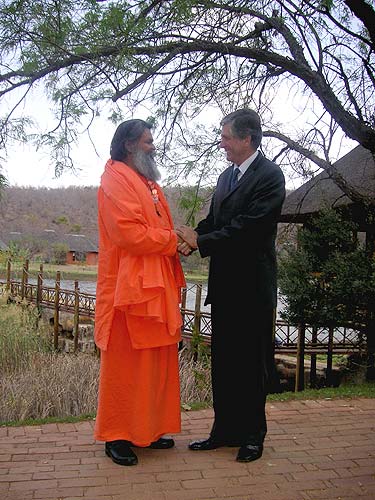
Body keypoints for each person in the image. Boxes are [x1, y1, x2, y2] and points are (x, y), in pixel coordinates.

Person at [176, 108, 286, 462]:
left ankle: (253, 436)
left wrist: (201, 242)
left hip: (253, 288)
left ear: (247, 139)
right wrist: (192, 237)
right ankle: (224, 431)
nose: (221, 143)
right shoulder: (226, 177)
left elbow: (249, 228)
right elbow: (216, 221)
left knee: (252, 365)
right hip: (224, 286)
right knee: (224, 363)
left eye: (226, 137)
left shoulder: (270, 176)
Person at [94, 119, 186, 466]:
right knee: (124, 365)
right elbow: (130, 234)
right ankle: (116, 435)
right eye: (148, 141)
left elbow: (156, 229)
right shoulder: (113, 180)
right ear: (130, 145)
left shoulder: (147, 183)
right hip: (126, 293)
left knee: (155, 362)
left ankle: (147, 430)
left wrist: (174, 239)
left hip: (154, 287)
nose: (153, 146)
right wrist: (174, 241)